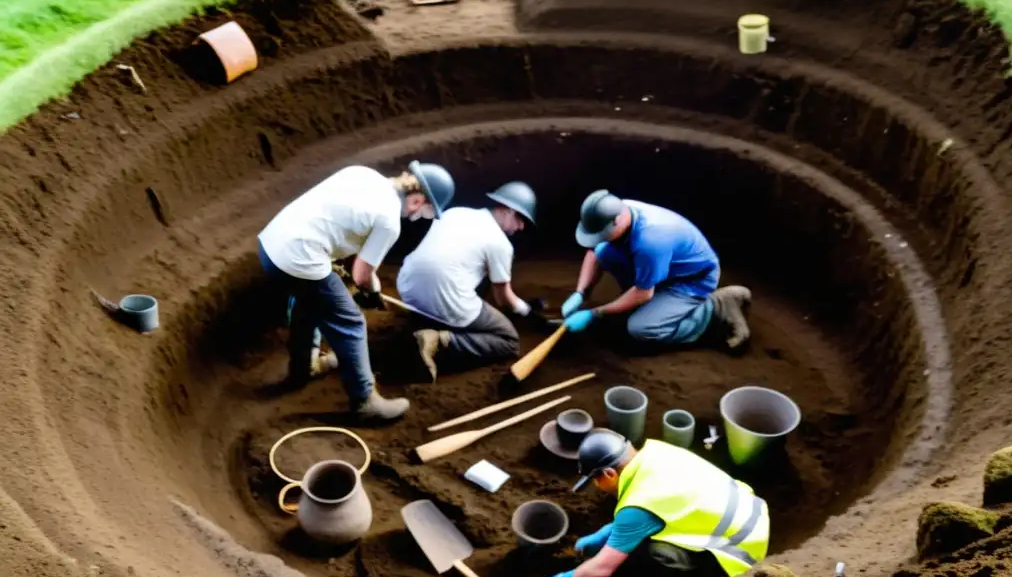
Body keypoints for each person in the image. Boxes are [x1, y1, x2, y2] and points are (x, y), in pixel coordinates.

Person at [257, 160, 455, 422]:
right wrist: (372, 292)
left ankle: (303, 369)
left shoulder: (362, 174)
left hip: (271, 245)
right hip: (298, 258)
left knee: (312, 301)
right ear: (417, 200)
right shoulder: (389, 222)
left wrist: (359, 279)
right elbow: (362, 274)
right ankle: (365, 401)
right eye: (427, 211)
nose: (420, 217)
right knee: (350, 321)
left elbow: (349, 246)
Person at [528, 430, 770, 577]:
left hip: (739, 553)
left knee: (653, 554)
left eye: (595, 480)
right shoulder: (658, 454)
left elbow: (600, 570)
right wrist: (607, 534)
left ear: (609, 473)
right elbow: (667, 503)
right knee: (641, 535)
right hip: (752, 513)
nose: (597, 486)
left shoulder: (637, 506)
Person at [559, 189, 752, 350]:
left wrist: (595, 313)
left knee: (641, 328)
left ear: (616, 221)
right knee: (604, 250)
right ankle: (650, 300)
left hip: (691, 280)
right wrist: (581, 293)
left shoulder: (651, 241)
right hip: (663, 267)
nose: (598, 238)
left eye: (601, 234)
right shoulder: (619, 209)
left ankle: (717, 307)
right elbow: (593, 252)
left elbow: (643, 293)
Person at [396, 181, 541, 381]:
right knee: (509, 340)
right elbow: (503, 297)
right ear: (507, 210)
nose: (522, 226)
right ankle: (439, 340)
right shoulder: (500, 244)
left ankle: (429, 319)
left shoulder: (456, 212)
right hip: (445, 296)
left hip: (407, 288)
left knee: (465, 282)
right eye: (521, 218)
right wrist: (526, 310)